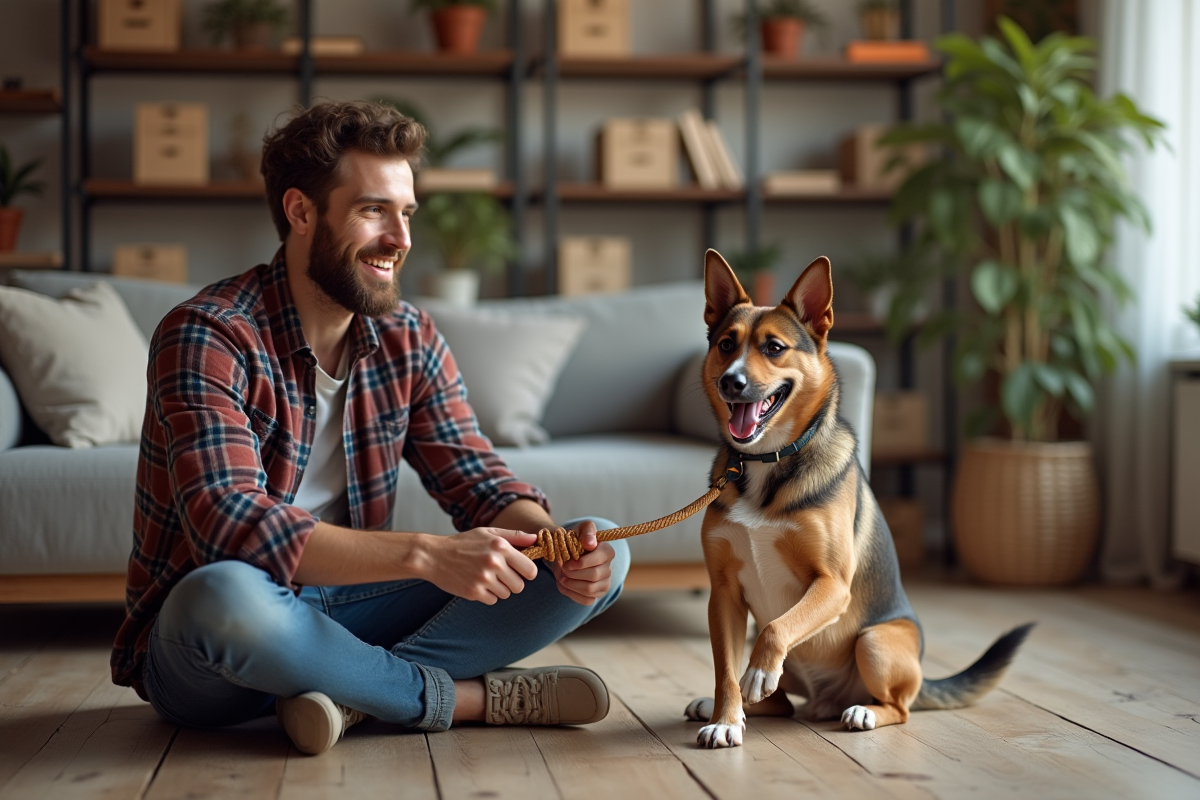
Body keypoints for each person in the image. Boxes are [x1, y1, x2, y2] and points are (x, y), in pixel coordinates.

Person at [110, 101, 629, 755]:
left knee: (606, 550)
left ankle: (349, 694)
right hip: (219, 645)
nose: (401, 237)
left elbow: (477, 479)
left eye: (405, 212)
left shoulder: (408, 336)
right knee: (220, 595)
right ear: (301, 213)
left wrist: (553, 543)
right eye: (372, 210)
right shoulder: (208, 333)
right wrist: (430, 556)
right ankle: (458, 699)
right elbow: (229, 523)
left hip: (352, 614)